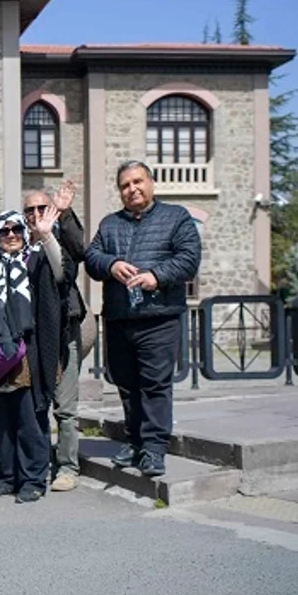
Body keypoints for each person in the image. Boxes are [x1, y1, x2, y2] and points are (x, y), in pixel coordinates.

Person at [86, 161, 201, 478]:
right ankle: (135, 441)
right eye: (125, 185)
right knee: (126, 383)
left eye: (137, 181)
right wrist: (111, 265)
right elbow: (92, 258)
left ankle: (154, 448)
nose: (132, 189)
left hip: (158, 318)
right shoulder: (109, 224)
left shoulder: (176, 217)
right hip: (119, 318)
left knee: (154, 384)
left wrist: (156, 276)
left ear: (151, 183)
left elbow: (189, 258)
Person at [0, 209, 69, 503]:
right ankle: (7, 477)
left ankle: (33, 480)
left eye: (16, 229)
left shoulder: (37, 260)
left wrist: (47, 235)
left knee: (30, 419)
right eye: (4, 231)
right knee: (2, 422)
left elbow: (62, 272)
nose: (11, 235)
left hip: (30, 354)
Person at [24, 182, 89, 492]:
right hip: (31, 337)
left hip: (63, 331)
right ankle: (37, 463)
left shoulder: (60, 239)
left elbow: (67, 267)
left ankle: (67, 466)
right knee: (35, 403)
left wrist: (61, 216)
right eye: (30, 210)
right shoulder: (17, 244)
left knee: (64, 405)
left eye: (42, 207)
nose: (36, 214)